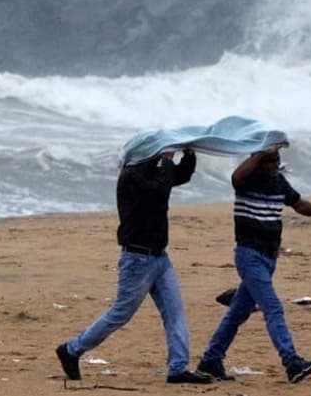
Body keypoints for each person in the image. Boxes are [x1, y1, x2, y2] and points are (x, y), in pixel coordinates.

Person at [56, 148, 213, 384]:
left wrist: (189, 155)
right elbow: (159, 189)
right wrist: (168, 161)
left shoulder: (150, 172)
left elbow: (176, 178)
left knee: (175, 312)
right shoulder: (131, 177)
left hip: (159, 257)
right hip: (138, 259)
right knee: (120, 314)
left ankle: (178, 367)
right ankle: (71, 350)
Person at [196, 144, 311, 384]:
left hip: (269, 257)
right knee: (273, 308)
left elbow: (298, 204)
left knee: (237, 313)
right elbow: (235, 176)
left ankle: (210, 360)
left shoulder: (279, 182)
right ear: (258, 161)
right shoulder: (247, 181)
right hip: (249, 256)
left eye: (276, 161)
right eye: (269, 161)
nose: (274, 166)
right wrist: (259, 153)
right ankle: (291, 362)